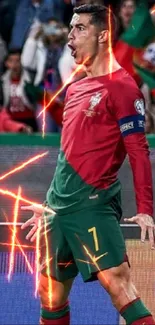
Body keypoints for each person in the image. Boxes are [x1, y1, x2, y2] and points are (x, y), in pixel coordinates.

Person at [21, 4, 155, 325]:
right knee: (50, 294)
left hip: (93, 206)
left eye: (80, 28)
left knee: (119, 287)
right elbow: (68, 154)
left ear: (103, 35)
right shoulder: (76, 86)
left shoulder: (124, 89)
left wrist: (146, 207)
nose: (70, 36)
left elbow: (138, 150)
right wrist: (51, 203)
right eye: (70, 28)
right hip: (59, 209)